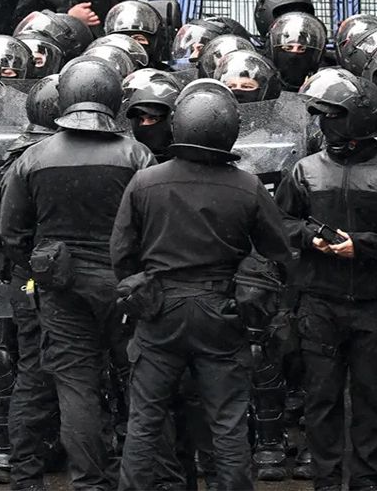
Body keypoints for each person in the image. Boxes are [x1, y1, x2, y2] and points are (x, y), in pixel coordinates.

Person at [112, 80, 293, 491]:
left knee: (144, 421)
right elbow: (279, 254)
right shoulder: (247, 186)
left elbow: (122, 252)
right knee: (228, 424)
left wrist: (141, 291)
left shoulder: (145, 182)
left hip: (159, 309)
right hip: (222, 311)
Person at [0, 58, 155, 489]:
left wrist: (43, 269)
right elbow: (155, 228)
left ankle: (90, 483)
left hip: (61, 290)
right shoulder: (137, 155)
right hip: (125, 287)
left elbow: (12, 234)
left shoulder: (33, 158)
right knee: (141, 384)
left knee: (75, 389)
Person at [277, 67, 377, 491]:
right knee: (320, 399)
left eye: (331, 115)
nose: (323, 123)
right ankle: (326, 480)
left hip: (375, 306)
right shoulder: (305, 170)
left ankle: (365, 481)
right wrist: (309, 237)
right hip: (319, 302)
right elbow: (281, 220)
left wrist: (361, 246)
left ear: (353, 121)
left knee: (371, 400)